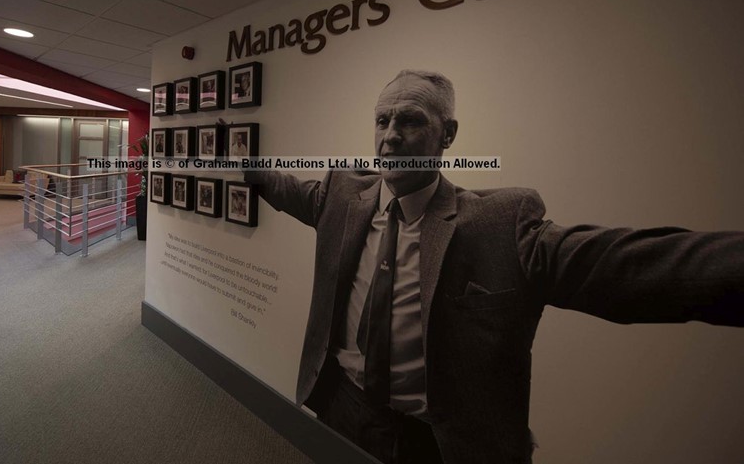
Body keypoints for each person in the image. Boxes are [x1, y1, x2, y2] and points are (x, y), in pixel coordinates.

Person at [243, 70, 744, 464]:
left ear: (449, 133)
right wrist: (242, 160)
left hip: (440, 443)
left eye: (410, 120)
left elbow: (616, 264)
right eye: (382, 121)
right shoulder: (343, 197)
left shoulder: (498, 223)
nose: (390, 137)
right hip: (341, 410)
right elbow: (287, 190)